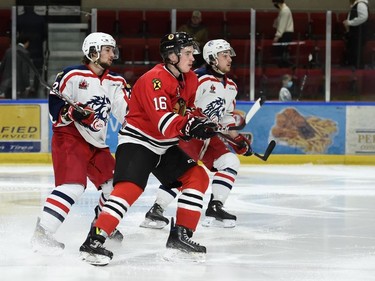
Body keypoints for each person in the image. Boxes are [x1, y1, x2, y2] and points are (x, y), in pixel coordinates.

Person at [78, 32, 218, 266]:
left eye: (192, 53)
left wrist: (201, 121)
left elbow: (187, 110)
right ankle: (94, 240)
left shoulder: (191, 79)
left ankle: (180, 237)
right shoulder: (154, 80)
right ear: (171, 56)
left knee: (197, 177)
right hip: (138, 143)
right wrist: (190, 126)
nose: (193, 57)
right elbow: (164, 122)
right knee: (129, 189)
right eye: (186, 53)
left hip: (164, 146)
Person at [31, 32, 129, 255]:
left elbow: (126, 112)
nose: (112, 54)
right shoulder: (72, 74)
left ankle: (101, 225)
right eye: (107, 49)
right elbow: (55, 111)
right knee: (73, 187)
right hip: (70, 137)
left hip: (97, 143)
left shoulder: (117, 82)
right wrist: (72, 113)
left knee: (116, 186)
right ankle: (43, 232)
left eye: (113, 50)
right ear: (93, 51)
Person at [140, 39, 253, 230]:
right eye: (224, 55)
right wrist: (196, 120)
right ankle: (156, 209)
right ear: (212, 59)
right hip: (190, 135)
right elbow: (182, 106)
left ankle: (216, 206)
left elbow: (224, 118)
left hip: (209, 138)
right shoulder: (197, 78)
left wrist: (237, 139)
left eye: (229, 55)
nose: (229, 59)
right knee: (183, 173)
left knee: (230, 162)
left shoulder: (231, 87)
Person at [0, 34, 32, 99]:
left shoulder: (8, 51)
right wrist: (27, 85)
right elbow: (24, 70)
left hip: (6, 84)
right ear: (27, 42)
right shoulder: (25, 52)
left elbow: (2, 67)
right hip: (19, 85)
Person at [343, 0, 369, 69]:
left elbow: (363, 17)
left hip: (358, 34)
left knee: (356, 54)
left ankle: (357, 71)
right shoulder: (357, 4)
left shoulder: (360, 4)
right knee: (354, 52)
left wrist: (350, 23)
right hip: (355, 34)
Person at [272, 0, 294, 67]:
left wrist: (277, 36)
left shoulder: (285, 11)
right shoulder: (282, 10)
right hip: (285, 34)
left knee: (281, 52)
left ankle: (284, 66)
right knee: (281, 52)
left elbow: (282, 25)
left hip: (285, 34)